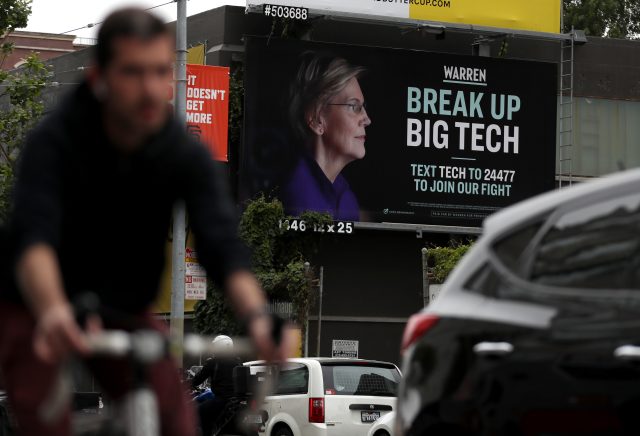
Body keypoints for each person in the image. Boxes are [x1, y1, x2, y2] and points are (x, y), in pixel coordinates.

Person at [0, 8, 290, 436]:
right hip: (39, 303)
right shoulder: (57, 140)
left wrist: (259, 319)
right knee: (41, 411)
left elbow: (222, 244)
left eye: (160, 72)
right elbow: (34, 237)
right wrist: (55, 310)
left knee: (175, 419)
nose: (151, 89)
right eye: (134, 73)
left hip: (120, 306)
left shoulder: (179, 149)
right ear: (100, 77)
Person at [281, 52, 372, 221]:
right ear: (316, 119)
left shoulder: (345, 195)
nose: (367, 119)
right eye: (354, 106)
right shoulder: (298, 195)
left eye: (363, 107)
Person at [191, 335, 240, 436]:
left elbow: (198, 379)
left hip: (222, 400)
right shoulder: (238, 362)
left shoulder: (213, 362)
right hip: (236, 400)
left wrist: (186, 384)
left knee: (197, 412)